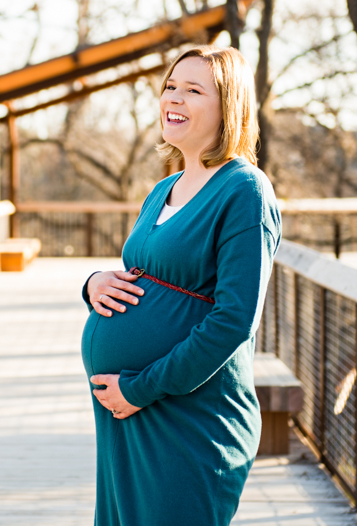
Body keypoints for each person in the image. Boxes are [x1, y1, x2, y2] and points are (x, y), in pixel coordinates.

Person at [80, 45, 282, 526]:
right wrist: (92, 284)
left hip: (188, 415)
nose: (175, 97)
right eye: (171, 86)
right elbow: (142, 275)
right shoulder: (161, 190)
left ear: (228, 106)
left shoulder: (245, 190)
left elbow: (234, 321)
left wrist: (140, 388)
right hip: (127, 412)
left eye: (194, 90)